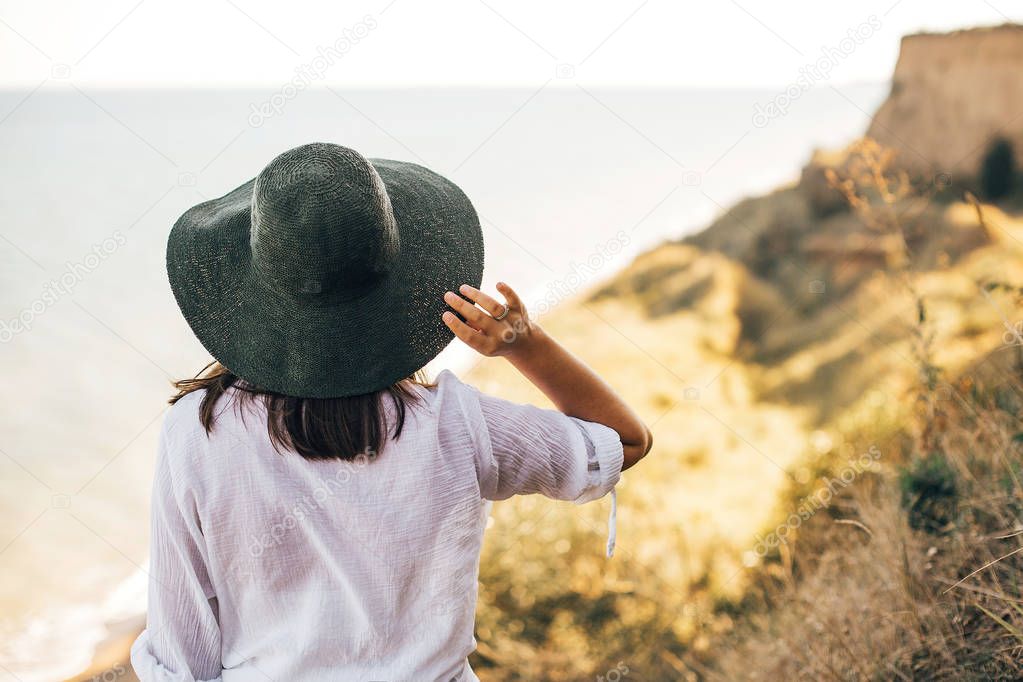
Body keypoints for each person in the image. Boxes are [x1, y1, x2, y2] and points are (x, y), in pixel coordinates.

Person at [130, 142, 652, 681]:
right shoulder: (457, 425)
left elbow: (179, 656)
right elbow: (624, 440)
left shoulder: (197, 433)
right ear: (402, 282)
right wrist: (523, 342)